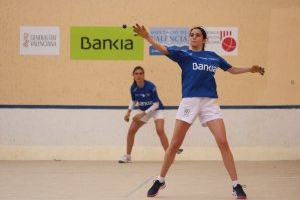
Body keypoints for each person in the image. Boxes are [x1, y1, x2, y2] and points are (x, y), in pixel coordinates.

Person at [133, 24, 265, 199]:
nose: (193, 37)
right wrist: (147, 37)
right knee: (174, 145)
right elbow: (163, 49)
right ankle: (160, 179)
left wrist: (250, 69)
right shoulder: (184, 55)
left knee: (223, 142)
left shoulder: (213, 57)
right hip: (189, 102)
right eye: (191, 35)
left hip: (210, 103)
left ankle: (236, 185)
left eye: (197, 35)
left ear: (204, 39)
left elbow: (231, 69)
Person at [119, 66, 183, 163]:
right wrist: (128, 112)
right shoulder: (133, 88)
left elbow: (156, 104)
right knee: (131, 131)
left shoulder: (150, 86)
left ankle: (169, 156)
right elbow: (133, 101)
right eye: (136, 74)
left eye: (141, 73)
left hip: (157, 109)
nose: (138, 75)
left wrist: (142, 114)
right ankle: (128, 156)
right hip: (145, 111)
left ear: (143, 75)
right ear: (133, 75)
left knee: (160, 130)